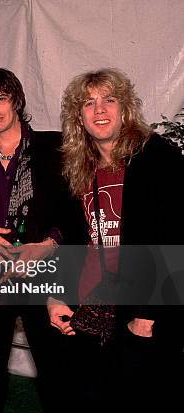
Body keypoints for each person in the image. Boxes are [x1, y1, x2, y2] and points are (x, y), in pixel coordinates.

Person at [48, 68, 184, 412]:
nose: (100, 110)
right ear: (78, 116)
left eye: (109, 100)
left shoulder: (157, 157)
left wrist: (148, 314)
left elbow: (174, 238)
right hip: (91, 309)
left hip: (140, 313)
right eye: (89, 103)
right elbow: (65, 239)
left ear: (126, 108)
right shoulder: (76, 167)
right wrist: (55, 296)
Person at [0, 68, 68, 413]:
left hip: (44, 273)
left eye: (1, 98)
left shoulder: (54, 149)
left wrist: (49, 244)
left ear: (17, 101)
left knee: (57, 372)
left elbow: (74, 208)